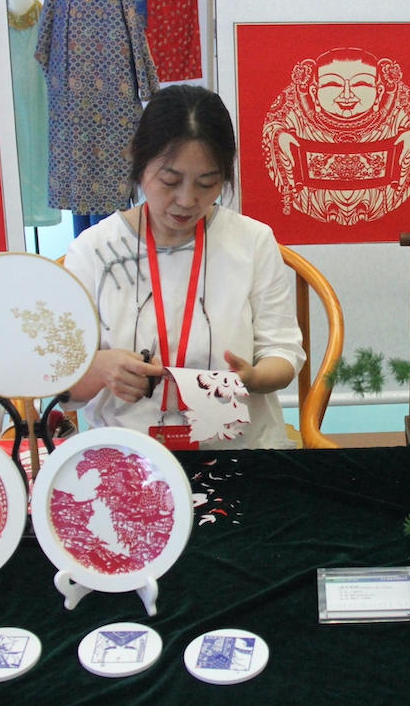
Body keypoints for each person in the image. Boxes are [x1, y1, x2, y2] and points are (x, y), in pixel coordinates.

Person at [64, 85, 305, 449]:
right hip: (129, 453)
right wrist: (100, 368)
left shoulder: (252, 241)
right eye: (170, 181)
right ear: (138, 162)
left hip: (238, 450)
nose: (187, 200)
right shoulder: (94, 251)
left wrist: (252, 378)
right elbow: (63, 387)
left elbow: (283, 354)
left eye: (207, 183)